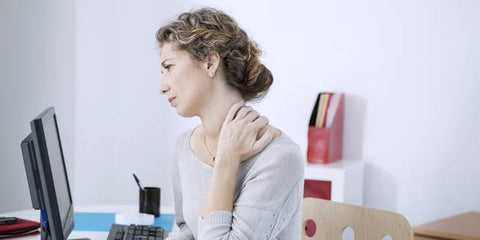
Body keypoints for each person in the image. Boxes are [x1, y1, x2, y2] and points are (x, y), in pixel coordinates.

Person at [157, 7, 304, 240]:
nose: (162, 86)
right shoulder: (183, 148)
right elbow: (186, 229)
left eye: (169, 67)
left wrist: (227, 160)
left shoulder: (279, 158)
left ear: (210, 63)